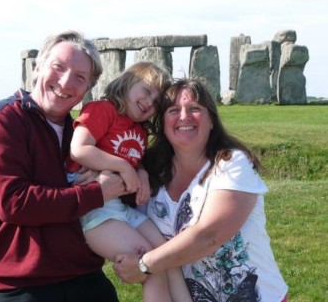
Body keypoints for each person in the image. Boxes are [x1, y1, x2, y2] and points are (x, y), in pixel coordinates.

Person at [0, 30, 128, 302]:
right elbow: (14, 203)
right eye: (58, 67)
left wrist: (127, 172)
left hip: (87, 276)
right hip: (24, 284)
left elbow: (121, 180)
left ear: (87, 88)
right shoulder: (2, 120)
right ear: (37, 68)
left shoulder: (83, 134)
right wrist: (97, 192)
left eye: (80, 77)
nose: (66, 82)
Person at [113, 78, 288, 302]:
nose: (184, 116)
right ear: (162, 122)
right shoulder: (153, 173)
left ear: (211, 121)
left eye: (195, 108)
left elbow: (209, 235)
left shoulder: (232, 163)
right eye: (173, 110)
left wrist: (143, 266)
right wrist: (133, 169)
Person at [66, 62, 193, 302]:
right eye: (146, 91)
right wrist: (123, 167)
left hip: (122, 209)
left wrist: (141, 172)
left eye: (157, 101)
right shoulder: (103, 109)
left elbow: (133, 159)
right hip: (98, 214)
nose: (149, 102)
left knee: (169, 258)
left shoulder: (140, 130)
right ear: (127, 82)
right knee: (149, 267)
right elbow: (78, 149)